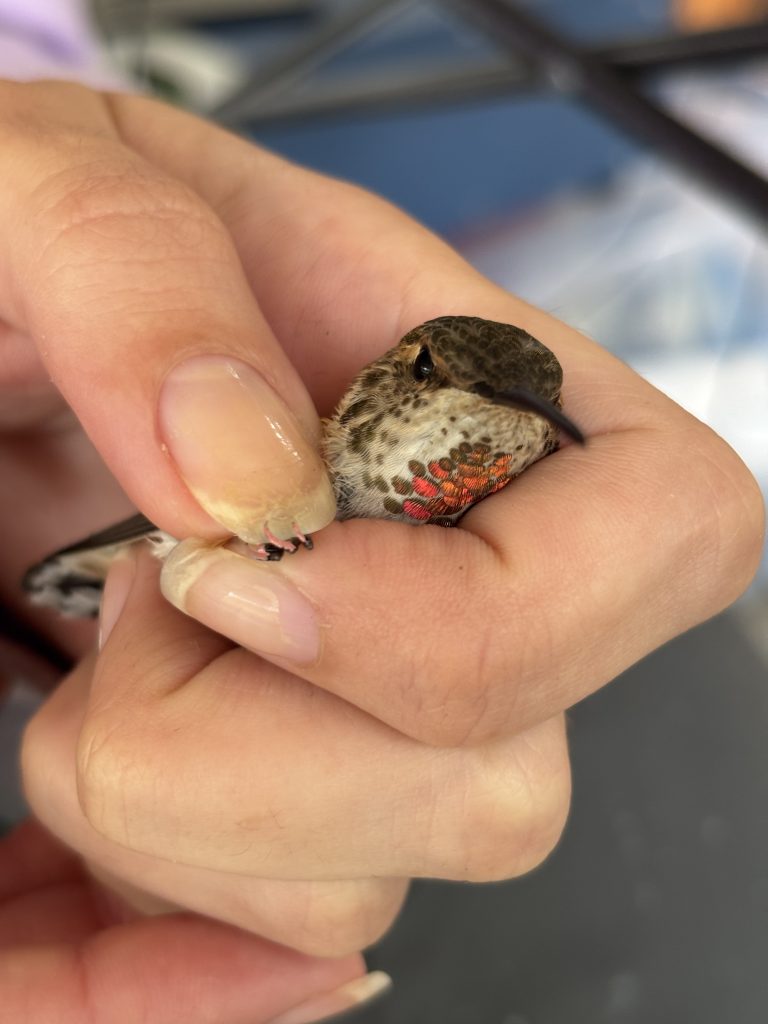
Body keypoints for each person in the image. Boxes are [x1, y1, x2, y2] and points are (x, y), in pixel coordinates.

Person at [0, 78, 763, 1024]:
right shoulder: (340, 426)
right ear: (396, 373)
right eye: (442, 377)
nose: (500, 414)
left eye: (533, 415)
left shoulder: (505, 471)